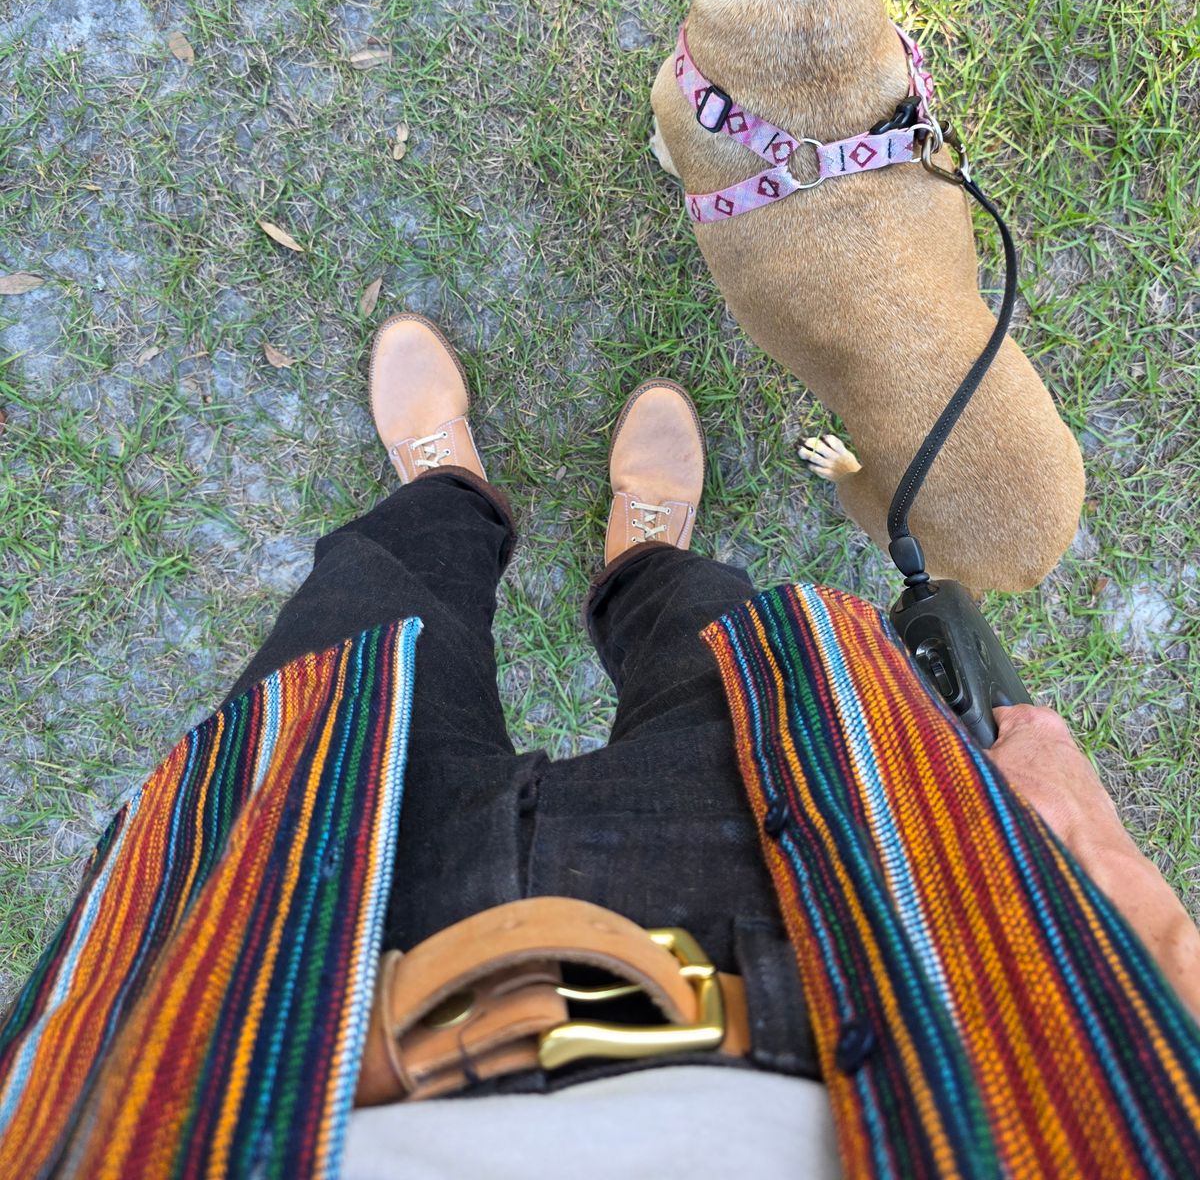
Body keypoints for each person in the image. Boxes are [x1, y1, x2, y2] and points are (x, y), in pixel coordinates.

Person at [1, 312, 1199, 1180]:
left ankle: (447, 503)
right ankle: (643, 562)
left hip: (250, 1016)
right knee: (716, 640)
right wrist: (1120, 898)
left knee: (365, 614)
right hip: (866, 958)